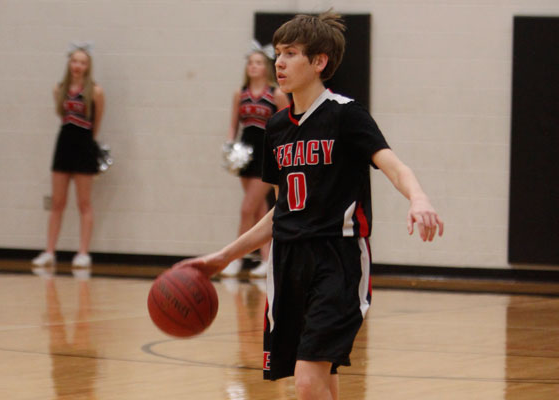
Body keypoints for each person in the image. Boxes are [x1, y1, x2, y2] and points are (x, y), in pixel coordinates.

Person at [175, 11, 443, 400]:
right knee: (320, 381)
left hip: (337, 259)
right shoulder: (278, 127)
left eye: (292, 53)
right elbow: (280, 211)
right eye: (278, 53)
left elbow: (392, 164)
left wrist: (418, 198)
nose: (279, 62)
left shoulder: (345, 115)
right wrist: (223, 257)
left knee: (306, 381)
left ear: (319, 62)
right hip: (288, 262)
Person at [32, 43, 105, 272]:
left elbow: (97, 122)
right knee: (57, 203)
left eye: (82, 62)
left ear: (88, 66)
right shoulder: (59, 89)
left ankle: (83, 254)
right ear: (69, 63)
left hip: (84, 145)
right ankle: (49, 252)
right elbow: (61, 114)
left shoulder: (96, 91)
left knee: (84, 203)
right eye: (74, 61)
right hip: (63, 144)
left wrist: (89, 146)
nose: (77, 66)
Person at [221, 41, 289, 277]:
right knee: (259, 209)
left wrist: (282, 152)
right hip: (245, 153)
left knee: (246, 208)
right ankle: (267, 260)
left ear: (266, 67)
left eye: (258, 63)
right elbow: (233, 126)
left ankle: (235, 259)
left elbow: (288, 124)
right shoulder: (239, 94)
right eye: (250, 63)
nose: (253, 66)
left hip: (266, 152)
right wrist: (229, 148)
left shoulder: (276, 93)